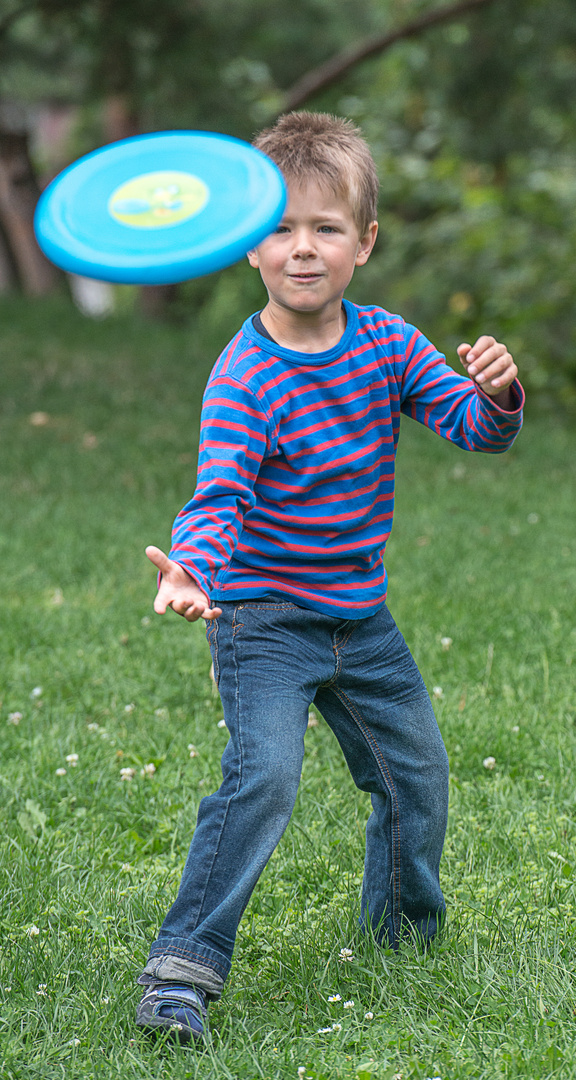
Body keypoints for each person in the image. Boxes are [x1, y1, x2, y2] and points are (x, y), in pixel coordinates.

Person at [135, 111, 524, 1044]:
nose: (302, 249)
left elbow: (473, 428)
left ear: (365, 243)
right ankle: (181, 970)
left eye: (327, 228)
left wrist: (499, 392)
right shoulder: (244, 378)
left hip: (359, 616)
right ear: (248, 246)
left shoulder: (387, 344)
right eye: (280, 228)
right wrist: (193, 567)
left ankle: (401, 939)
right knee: (263, 777)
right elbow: (219, 495)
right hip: (264, 618)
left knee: (416, 774)